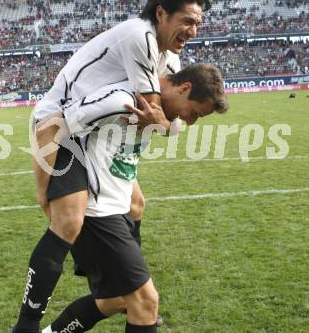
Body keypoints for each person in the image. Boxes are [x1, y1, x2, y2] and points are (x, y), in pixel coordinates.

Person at [12, 0, 211, 333]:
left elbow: (159, 114)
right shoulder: (140, 36)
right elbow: (150, 109)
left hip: (90, 131)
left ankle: (121, 286)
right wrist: (42, 189)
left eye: (198, 23)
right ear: (161, 14)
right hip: (62, 123)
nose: (193, 30)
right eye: (187, 20)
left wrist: (169, 124)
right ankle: (26, 325)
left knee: (136, 205)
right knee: (68, 222)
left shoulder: (169, 58)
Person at [40, 63, 228, 333]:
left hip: (116, 209)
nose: (189, 121)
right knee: (145, 301)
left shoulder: (165, 119)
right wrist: (44, 190)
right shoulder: (122, 101)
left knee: (113, 300)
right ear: (185, 88)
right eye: (194, 112)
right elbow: (52, 125)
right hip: (96, 212)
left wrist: (163, 125)